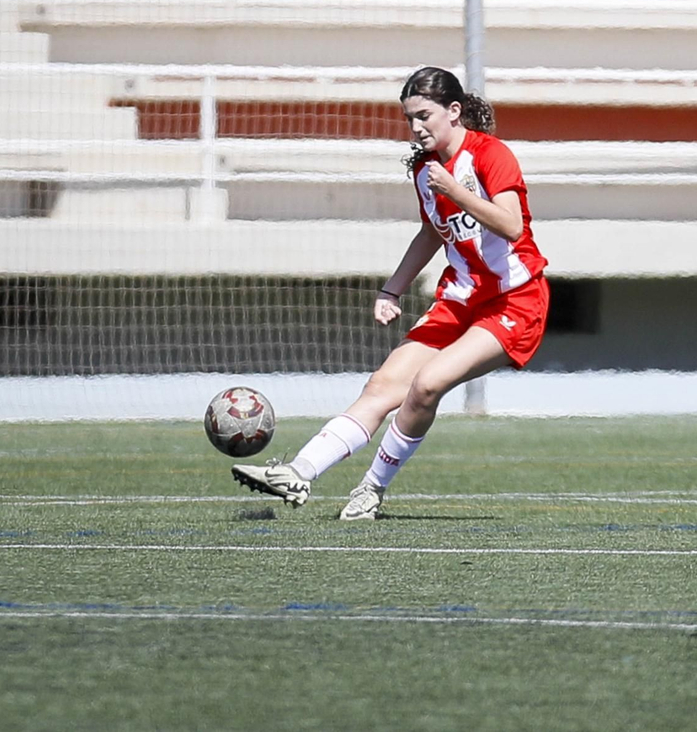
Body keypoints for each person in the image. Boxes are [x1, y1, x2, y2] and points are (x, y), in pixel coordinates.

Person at [232, 65, 549, 521]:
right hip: (459, 299)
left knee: (427, 385)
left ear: (454, 111)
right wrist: (392, 290)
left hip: (515, 301)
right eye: (409, 118)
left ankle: (370, 491)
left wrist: (457, 191)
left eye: (425, 115)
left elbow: (512, 225)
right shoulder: (426, 170)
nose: (416, 127)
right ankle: (297, 472)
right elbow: (432, 233)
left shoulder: (490, 155)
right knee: (381, 386)